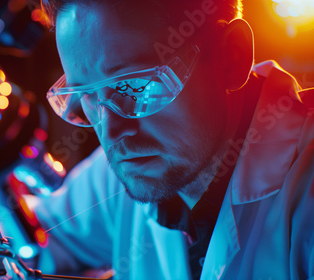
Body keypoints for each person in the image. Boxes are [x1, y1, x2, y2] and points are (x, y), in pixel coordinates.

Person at [30, 0, 314, 279]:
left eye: (135, 86)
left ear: (231, 57)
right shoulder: (125, 170)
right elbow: (32, 240)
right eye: (88, 95)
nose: (111, 133)